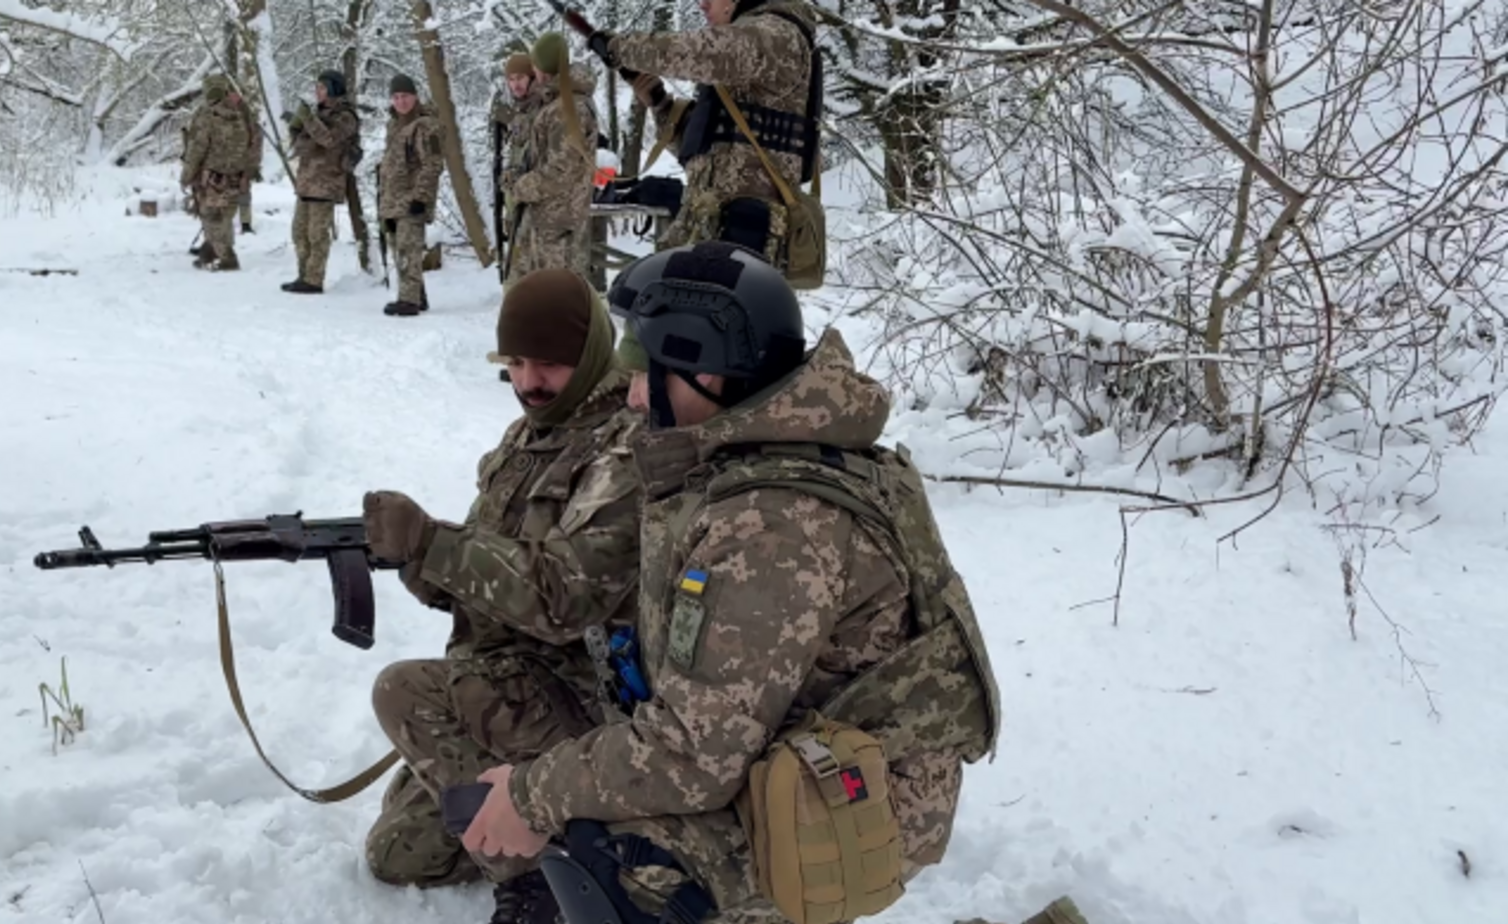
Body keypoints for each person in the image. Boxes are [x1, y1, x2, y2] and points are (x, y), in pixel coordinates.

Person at [454, 242, 1045, 924]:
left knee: (621, 868)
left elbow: (694, 754)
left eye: (648, 371)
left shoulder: (772, 523)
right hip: (795, 751)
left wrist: (533, 794)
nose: (635, 394)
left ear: (708, 370)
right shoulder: (754, 454)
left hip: (851, 799)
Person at [361, 268, 644, 924]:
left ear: (593, 355)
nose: (527, 383)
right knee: (400, 853)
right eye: (514, 363)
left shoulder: (625, 449)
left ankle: (539, 878)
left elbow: (564, 599)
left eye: (548, 364)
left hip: (585, 700)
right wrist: (411, 558)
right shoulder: (528, 438)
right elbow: (489, 579)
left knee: (401, 690)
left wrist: (435, 544)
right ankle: (560, 825)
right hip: (507, 689)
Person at [588, 0, 821, 271]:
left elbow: (699, 51)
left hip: (742, 243)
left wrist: (621, 48)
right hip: (705, 232)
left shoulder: (776, 35)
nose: (702, 4)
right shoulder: (746, 56)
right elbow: (705, 152)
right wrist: (660, 102)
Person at [503, 32, 599, 288]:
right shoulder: (556, 103)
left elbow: (561, 169)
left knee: (556, 300)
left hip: (559, 225)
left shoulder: (568, 108)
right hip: (547, 220)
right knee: (529, 295)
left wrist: (522, 187)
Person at [283, 69, 362, 294]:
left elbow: (328, 139)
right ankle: (303, 275)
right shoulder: (318, 114)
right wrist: (296, 127)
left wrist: (308, 119)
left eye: (322, 88)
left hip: (327, 183)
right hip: (307, 183)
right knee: (299, 232)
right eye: (316, 88)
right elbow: (299, 147)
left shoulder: (345, 116)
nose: (317, 92)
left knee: (317, 234)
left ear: (334, 89)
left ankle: (314, 279)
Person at [376, 74, 445, 317]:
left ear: (414, 96)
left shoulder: (426, 125)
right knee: (400, 249)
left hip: (412, 199)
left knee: (408, 248)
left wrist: (421, 197)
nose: (401, 101)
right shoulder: (394, 125)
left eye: (405, 96)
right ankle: (417, 295)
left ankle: (408, 299)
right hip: (393, 199)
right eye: (396, 97)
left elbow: (433, 163)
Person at [180, 73, 262, 272]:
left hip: (213, 178)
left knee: (211, 217)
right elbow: (254, 143)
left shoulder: (206, 114)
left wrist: (186, 175)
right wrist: (248, 172)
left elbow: (197, 148)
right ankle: (210, 252)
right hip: (237, 177)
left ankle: (227, 258)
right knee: (224, 217)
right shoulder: (240, 113)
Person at [492, 52, 540, 284]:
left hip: (535, 202)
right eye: (511, 79)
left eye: (520, 77)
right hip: (517, 202)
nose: (516, 84)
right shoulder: (520, 113)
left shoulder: (541, 110)